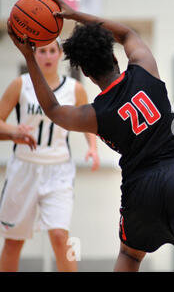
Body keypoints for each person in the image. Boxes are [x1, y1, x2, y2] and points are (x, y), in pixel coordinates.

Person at [7, 0, 174, 272]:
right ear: (114, 56)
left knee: (130, 256)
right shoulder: (144, 69)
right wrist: (74, 14)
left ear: (89, 75)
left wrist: (29, 57)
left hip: (140, 188)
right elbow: (127, 33)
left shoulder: (96, 114)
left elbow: (54, 110)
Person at [0, 37, 100, 272]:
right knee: (14, 242)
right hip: (24, 167)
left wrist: (92, 148)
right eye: (42, 51)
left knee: (59, 235)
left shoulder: (74, 89)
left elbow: (88, 122)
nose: (46, 56)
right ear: (34, 55)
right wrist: (14, 130)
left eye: (51, 51)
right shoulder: (20, 84)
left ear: (59, 54)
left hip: (58, 169)